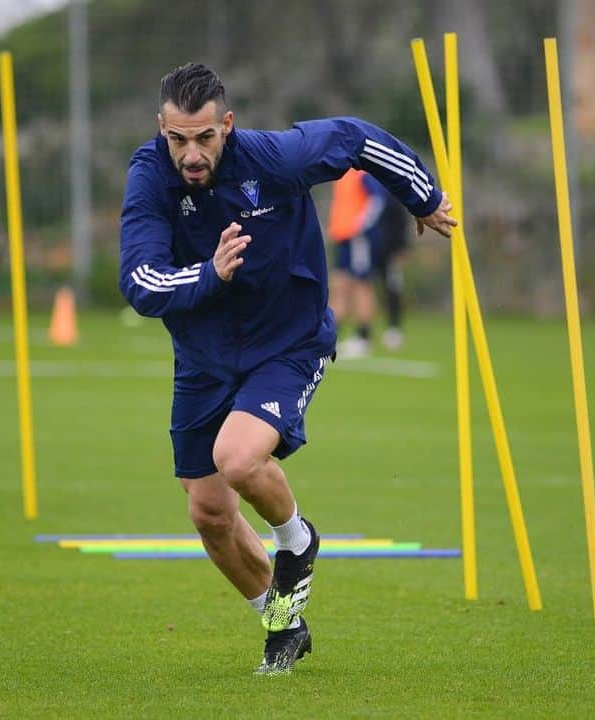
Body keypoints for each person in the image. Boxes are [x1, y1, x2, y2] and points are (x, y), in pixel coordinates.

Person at [119, 63, 455, 674]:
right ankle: (284, 623)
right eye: (177, 140)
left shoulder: (274, 159)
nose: (191, 154)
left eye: (204, 138)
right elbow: (140, 282)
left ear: (227, 125)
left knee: (239, 458)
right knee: (209, 513)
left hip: (289, 342)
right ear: (161, 130)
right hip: (203, 358)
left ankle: (297, 539)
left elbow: (355, 138)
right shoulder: (149, 178)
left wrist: (423, 196)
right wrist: (208, 274)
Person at [327, 168, 410, 358]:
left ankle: (363, 336)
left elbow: (378, 199)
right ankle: (330, 336)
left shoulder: (361, 173)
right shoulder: (340, 173)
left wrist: (361, 224)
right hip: (342, 237)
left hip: (358, 238)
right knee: (340, 285)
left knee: (361, 284)